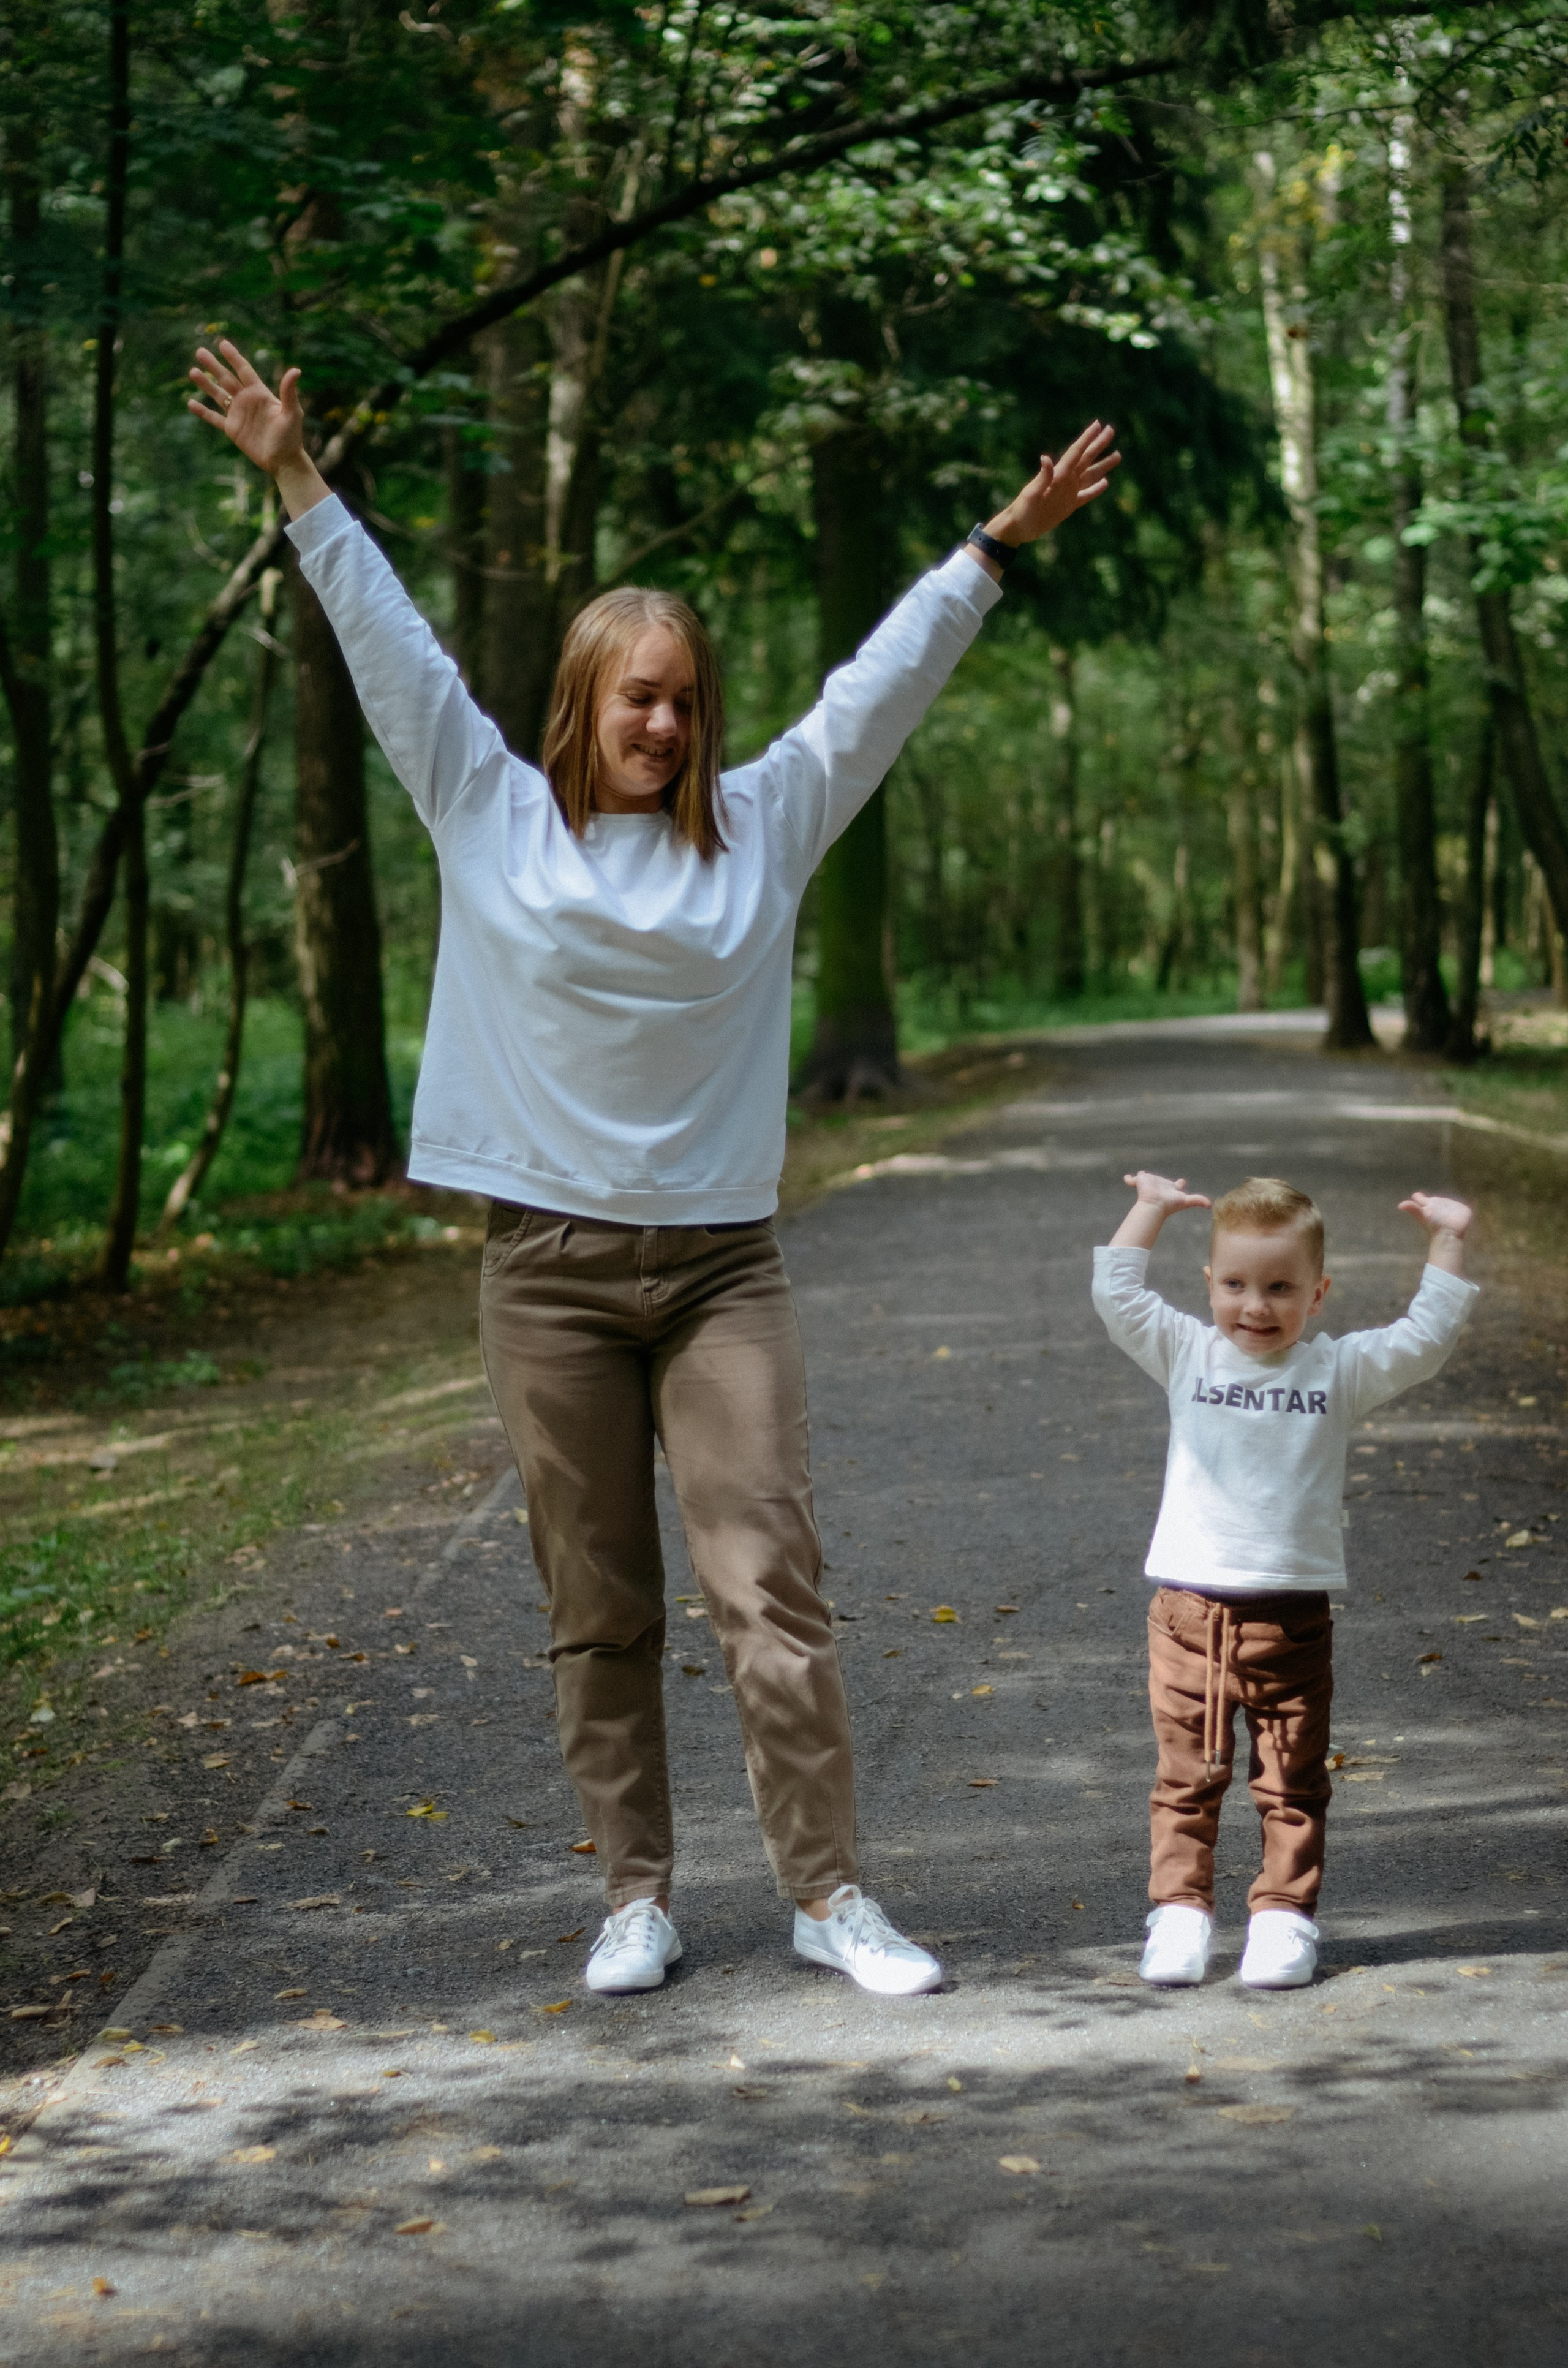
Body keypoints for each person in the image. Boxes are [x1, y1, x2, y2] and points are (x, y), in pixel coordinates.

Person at [189, 336, 1121, 1998]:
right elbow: (388, 648)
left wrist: (993, 548)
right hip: (542, 1268)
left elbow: (877, 687)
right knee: (598, 1600)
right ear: (585, 704)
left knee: (771, 1584)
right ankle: (637, 1894)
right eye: (640, 695)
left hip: (716, 1272)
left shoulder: (766, 821)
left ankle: (832, 1896)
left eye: (686, 697)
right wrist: (294, 476)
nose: (668, 720)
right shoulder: (488, 807)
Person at [1091, 1171, 1477, 1989]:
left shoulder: (1338, 1371)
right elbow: (1119, 1297)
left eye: (1279, 1288)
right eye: (1235, 1285)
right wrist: (1151, 1209)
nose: (1255, 1306)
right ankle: (1180, 1913)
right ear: (1210, 1285)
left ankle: (1283, 1917)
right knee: (1186, 1780)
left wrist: (1448, 1239)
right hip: (1187, 1613)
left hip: (1290, 1618)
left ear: (1318, 1294)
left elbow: (1424, 1337)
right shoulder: (1187, 1350)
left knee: (1292, 1779)